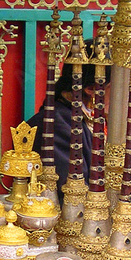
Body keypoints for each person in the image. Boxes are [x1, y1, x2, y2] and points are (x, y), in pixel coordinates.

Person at [27, 59, 110, 199]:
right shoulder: (57, 126)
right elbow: (72, 193)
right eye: (114, 87)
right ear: (91, 89)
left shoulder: (88, 117)